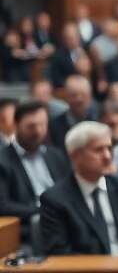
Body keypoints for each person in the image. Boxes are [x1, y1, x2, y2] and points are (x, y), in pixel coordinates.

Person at [39, 121, 118, 255]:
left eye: (109, 148)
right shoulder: (55, 200)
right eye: (98, 150)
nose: (107, 156)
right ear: (75, 156)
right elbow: (59, 254)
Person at [0, 101, 71, 242]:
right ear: (16, 125)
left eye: (42, 125)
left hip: (65, 226)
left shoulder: (56, 156)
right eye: (31, 126)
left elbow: (69, 191)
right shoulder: (3, 161)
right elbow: (3, 206)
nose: (38, 131)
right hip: (27, 231)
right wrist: (46, 211)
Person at [49, 74, 96, 151]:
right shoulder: (53, 126)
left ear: (90, 97)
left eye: (83, 95)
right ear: (66, 97)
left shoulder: (98, 122)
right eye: (74, 95)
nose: (79, 99)